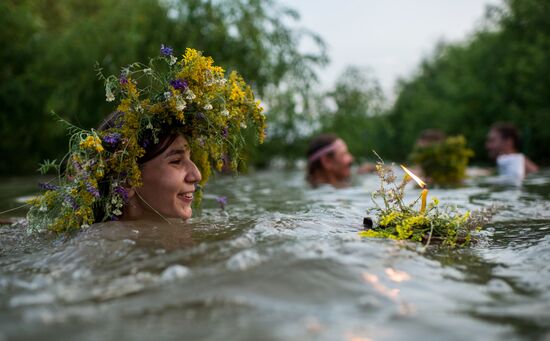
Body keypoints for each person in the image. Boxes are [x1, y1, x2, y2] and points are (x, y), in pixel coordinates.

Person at [26, 46, 266, 233]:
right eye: (176, 160)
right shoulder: (105, 245)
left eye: (190, 157)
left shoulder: (169, 231)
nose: (197, 175)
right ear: (127, 181)